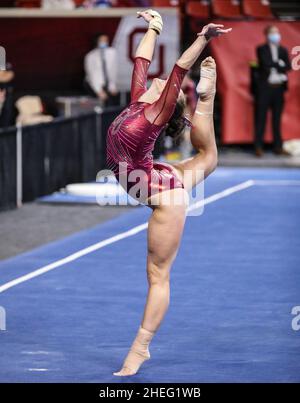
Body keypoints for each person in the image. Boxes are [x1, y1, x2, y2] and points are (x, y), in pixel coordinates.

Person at [106, 9, 231, 376]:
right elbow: (142, 60)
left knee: (157, 275)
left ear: (169, 102)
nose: (158, 81)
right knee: (207, 158)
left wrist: (203, 38)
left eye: (165, 87)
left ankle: (140, 348)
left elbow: (177, 70)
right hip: (152, 176)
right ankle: (206, 100)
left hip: (163, 194)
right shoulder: (139, 102)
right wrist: (154, 26)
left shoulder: (156, 113)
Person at [254, 25, 291, 157]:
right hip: (265, 88)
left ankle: (278, 147)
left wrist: (277, 65)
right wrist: (278, 64)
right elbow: (265, 64)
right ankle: (258, 147)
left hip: (279, 89)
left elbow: (288, 66)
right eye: (273, 32)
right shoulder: (261, 49)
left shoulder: (283, 50)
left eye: (277, 32)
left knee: (277, 119)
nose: (276, 35)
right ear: (267, 34)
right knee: (261, 118)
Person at [84, 33, 118, 106]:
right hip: (94, 85)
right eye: (101, 40)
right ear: (97, 41)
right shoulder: (91, 56)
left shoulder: (112, 53)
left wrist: (112, 85)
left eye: (105, 40)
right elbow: (92, 75)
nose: (104, 42)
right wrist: (98, 90)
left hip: (107, 84)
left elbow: (113, 71)